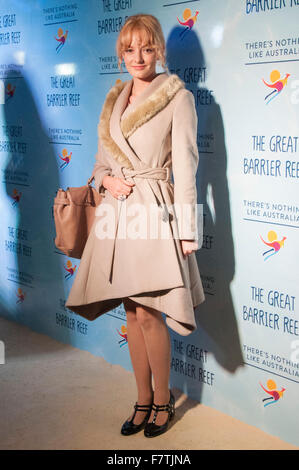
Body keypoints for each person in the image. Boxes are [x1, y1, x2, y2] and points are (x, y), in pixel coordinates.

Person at [66, 14, 205, 438]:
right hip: (115, 213)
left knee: (150, 312)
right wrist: (106, 179)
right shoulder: (114, 98)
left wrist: (187, 228)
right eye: (129, 49)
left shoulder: (177, 97)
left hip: (153, 211)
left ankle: (163, 401)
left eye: (146, 48)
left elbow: (186, 166)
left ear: (159, 49)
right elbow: (100, 163)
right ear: (121, 53)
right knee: (131, 310)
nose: (138, 57)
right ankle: (142, 400)